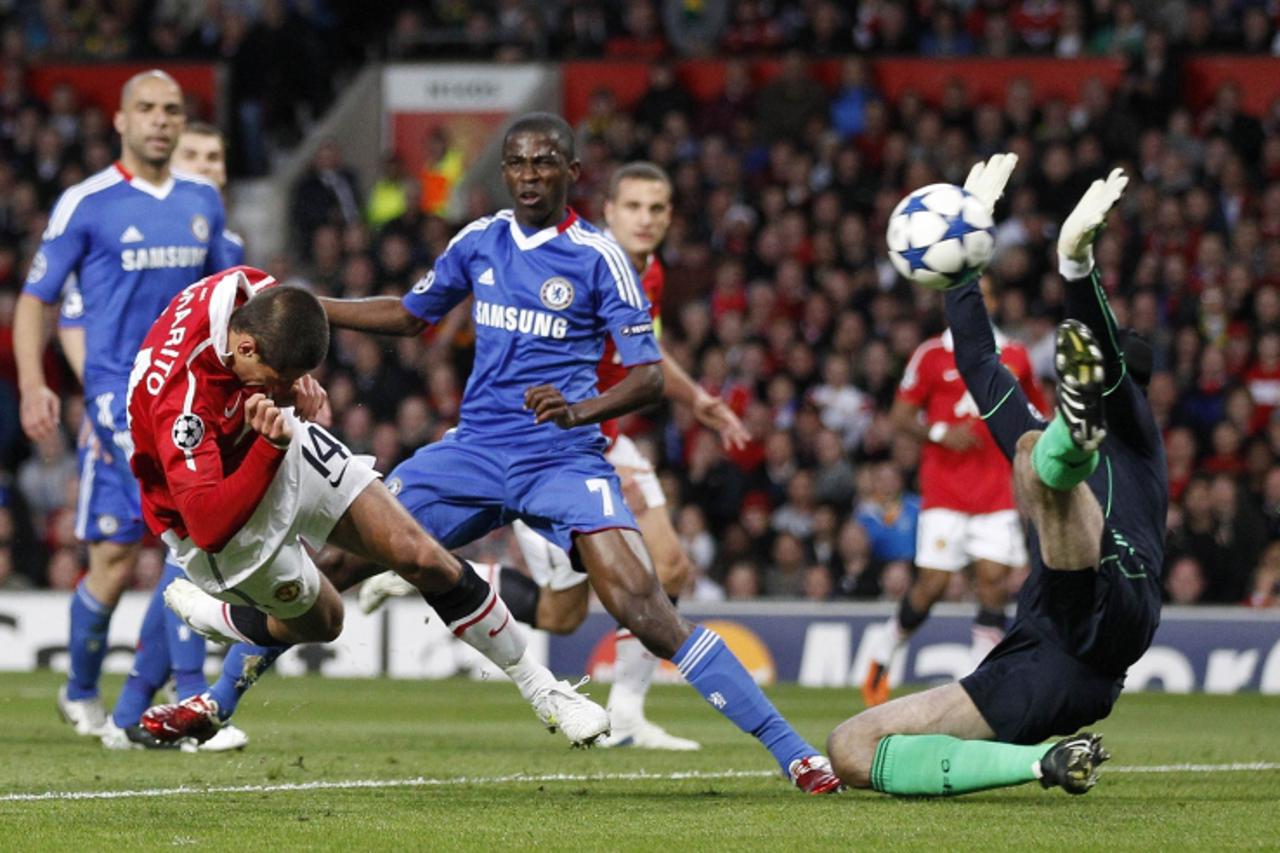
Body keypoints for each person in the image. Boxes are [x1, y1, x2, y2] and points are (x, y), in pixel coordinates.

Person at [322, 113, 840, 793]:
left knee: (644, 605)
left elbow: (649, 374)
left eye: (544, 163)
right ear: (503, 171)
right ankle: (217, 692)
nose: (529, 176)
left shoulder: (600, 256)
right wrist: (311, 305)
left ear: (571, 171)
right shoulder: (479, 239)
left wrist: (581, 409)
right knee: (332, 564)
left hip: (563, 457)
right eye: (516, 163)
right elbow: (410, 316)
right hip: (475, 449)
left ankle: (793, 750)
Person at [129, 266, 609, 748]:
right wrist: (269, 447)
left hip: (271, 443)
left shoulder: (254, 293)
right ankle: (224, 618)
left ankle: (545, 691)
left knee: (419, 553)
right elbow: (210, 524)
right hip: (214, 522)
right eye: (283, 377)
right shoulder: (181, 400)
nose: (293, 386)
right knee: (326, 621)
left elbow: (290, 325)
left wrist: (289, 399)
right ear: (247, 349)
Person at [359, 161, 750, 752]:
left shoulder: (651, 273)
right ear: (609, 211)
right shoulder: (584, 258)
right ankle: (432, 567)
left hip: (600, 429)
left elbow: (646, 353)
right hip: (556, 442)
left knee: (588, 604)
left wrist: (696, 398)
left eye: (659, 209)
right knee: (646, 576)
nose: (647, 220)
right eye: (635, 207)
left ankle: (626, 711)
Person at [828, 157, 1164, 797]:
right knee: (849, 747)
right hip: (1051, 660)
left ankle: (1069, 449)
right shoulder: (1050, 414)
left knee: (1033, 454)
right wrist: (964, 265)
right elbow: (978, 360)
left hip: (1116, 592)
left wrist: (1075, 266)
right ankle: (1046, 764)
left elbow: (1098, 344)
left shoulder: (1137, 431)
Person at [13, 69, 238, 737]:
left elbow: (224, 299)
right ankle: (89, 690)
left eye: (172, 109)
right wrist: (35, 382)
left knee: (186, 540)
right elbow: (37, 301)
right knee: (113, 561)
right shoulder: (86, 203)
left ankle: (178, 700)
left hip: (185, 401)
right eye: (147, 109)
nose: (161, 120)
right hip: (117, 399)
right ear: (120, 120)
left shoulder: (204, 201)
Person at [98, 122, 258, 752]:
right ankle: (187, 699)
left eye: (216, 155)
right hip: (157, 405)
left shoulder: (225, 242)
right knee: (193, 544)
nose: (206, 166)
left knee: (182, 558)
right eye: (194, 156)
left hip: (209, 408)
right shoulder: (137, 229)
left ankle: (130, 710)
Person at [862, 274, 1046, 706]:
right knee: (933, 585)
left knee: (993, 580)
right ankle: (886, 646)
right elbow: (901, 416)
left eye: (986, 297)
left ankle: (980, 680)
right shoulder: (930, 356)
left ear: (995, 304)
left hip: (996, 492)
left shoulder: (1015, 356)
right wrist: (942, 431)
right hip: (944, 492)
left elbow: (1035, 413)